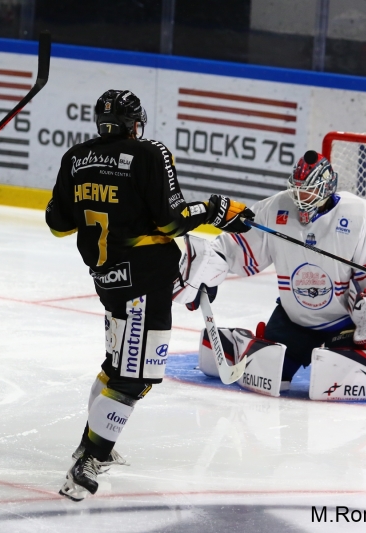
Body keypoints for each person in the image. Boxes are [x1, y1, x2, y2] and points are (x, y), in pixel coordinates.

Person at [45, 89, 253, 501]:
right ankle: (89, 456)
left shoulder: (75, 158)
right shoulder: (149, 153)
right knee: (135, 376)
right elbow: (174, 222)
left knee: (116, 362)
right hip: (145, 283)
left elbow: (57, 223)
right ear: (133, 122)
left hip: (107, 279)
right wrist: (216, 209)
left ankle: (93, 446)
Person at [176, 150, 366, 392]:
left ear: (327, 187)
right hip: (294, 319)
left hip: (344, 323)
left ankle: (365, 354)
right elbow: (236, 249)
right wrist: (206, 269)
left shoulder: (362, 214)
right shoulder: (275, 208)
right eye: (298, 188)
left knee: (340, 387)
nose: (301, 196)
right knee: (267, 381)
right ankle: (246, 344)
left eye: (309, 190)